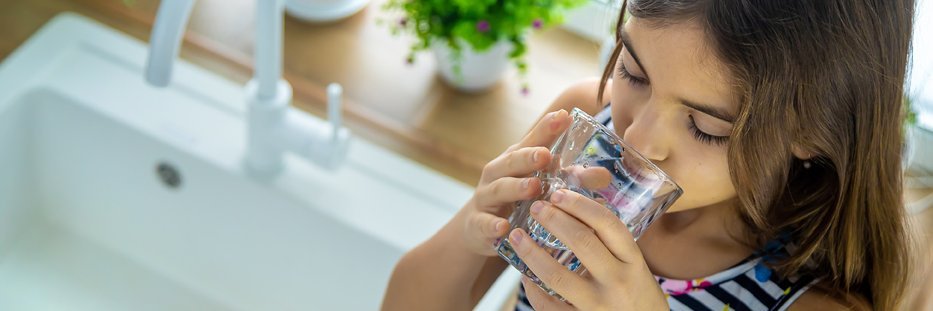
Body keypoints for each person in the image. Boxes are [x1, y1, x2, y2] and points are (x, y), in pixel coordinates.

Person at [382, 0, 916, 309]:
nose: (634, 139)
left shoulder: (813, 302)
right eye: (632, 72)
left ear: (811, 132)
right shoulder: (579, 129)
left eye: (706, 127)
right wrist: (470, 234)